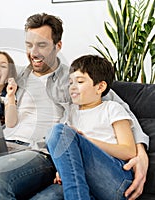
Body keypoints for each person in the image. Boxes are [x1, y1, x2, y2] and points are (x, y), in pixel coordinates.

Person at [0, 13, 149, 200]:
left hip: (39, 153)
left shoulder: (75, 79)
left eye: (41, 45)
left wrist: (140, 154)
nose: (33, 52)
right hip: (0, 144)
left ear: (58, 46)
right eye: (29, 44)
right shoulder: (17, 76)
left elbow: (121, 109)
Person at [47, 55, 136, 199]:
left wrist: (87, 141)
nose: (72, 88)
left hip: (116, 180)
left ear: (100, 86)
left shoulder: (112, 108)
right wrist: (62, 169)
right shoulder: (71, 114)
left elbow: (129, 151)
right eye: (70, 83)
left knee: (58, 131)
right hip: (86, 182)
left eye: (80, 82)